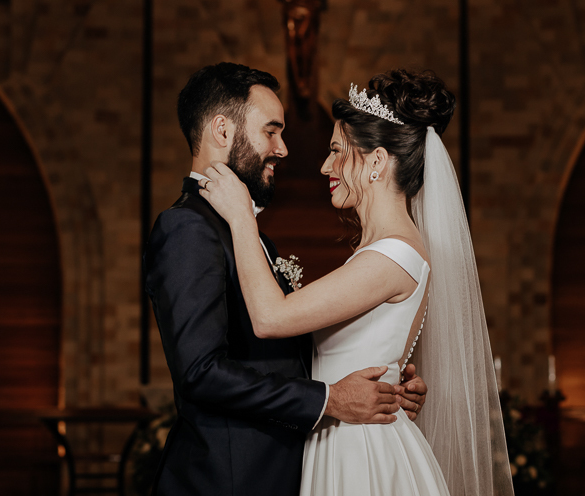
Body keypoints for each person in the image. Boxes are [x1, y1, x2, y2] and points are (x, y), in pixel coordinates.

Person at [200, 69, 515, 495]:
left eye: (336, 151)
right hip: (346, 434)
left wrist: (240, 216)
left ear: (377, 162)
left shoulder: (393, 255)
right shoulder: (383, 252)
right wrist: (398, 379)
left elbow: (270, 317)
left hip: (364, 452)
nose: (325, 165)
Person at [143, 62, 428, 495]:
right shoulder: (187, 228)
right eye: (271, 131)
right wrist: (331, 398)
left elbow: (285, 346)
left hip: (296, 467)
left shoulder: (256, 239)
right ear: (223, 131)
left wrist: (387, 379)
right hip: (229, 481)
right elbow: (201, 372)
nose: (284, 149)